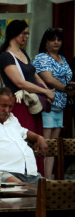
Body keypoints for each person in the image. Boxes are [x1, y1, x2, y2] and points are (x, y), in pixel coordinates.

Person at [0, 87, 47, 183]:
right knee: (22, 189)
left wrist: (39, 137)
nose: (7, 110)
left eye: (10, 107)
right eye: (3, 105)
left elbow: (23, 132)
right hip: (3, 172)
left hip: (29, 173)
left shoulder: (12, 119)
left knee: (52, 191)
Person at [0, 19, 54, 140]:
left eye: (27, 33)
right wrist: (45, 92)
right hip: (20, 104)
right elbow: (20, 83)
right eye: (23, 33)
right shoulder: (6, 56)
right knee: (26, 140)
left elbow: (34, 74)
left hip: (33, 102)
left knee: (38, 140)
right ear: (14, 33)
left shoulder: (22, 51)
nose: (27, 36)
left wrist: (47, 91)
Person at [33, 27, 70, 178]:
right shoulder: (42, 57)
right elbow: (47, 78)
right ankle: (41, 178)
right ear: (46, 42)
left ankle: (49, 178)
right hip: (47, 103)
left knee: (53, 146)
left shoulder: (63, 58)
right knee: (44, 143)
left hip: (60, 105)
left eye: (59, 39)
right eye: (52, 39)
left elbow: (66, 77)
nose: (56, 42)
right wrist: (68, 90)